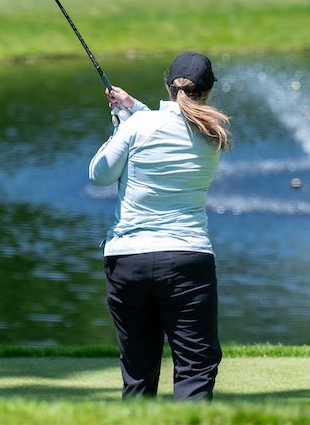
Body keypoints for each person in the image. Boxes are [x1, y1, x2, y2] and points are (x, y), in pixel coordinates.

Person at [88, 51, 232, 401]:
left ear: (168, 86)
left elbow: (99, 174)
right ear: (208, 91)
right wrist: (134, 109)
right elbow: (171, 125)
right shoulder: (213, 135)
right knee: (195, 370)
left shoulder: (138, 127)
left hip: (129, 261)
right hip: (188, 260)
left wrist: (124, 124)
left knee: (138, 372)